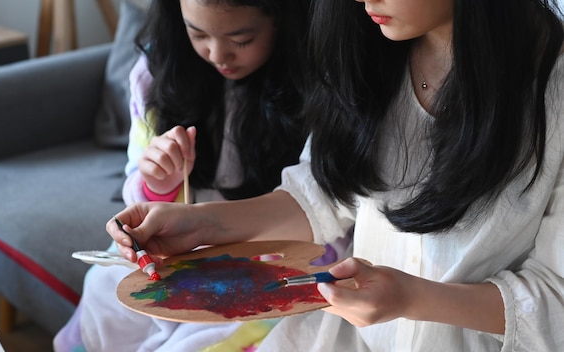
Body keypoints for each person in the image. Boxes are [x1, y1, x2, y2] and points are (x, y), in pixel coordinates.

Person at [107, 0, 564, 350]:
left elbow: (555, 304)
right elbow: (326, 193)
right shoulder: (369, 49)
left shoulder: (552, 90)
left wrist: (410, 298)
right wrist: (201, 223)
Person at [53, 0, 351, 351]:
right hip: (183, 237)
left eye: (241, 40)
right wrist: (160, 184)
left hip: (292, 245)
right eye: (197, 33)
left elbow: (324, 204)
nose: (217, 54)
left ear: (282, 19)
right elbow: (139, 181)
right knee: (105, 293)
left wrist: (201, 223)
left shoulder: (321, 78)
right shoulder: (158, 71)